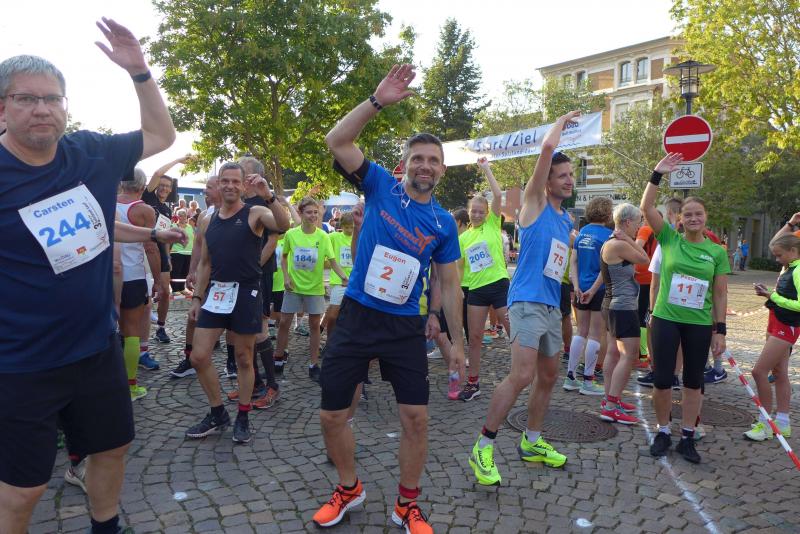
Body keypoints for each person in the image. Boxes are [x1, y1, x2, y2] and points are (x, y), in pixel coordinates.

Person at [0, 18, 176, 533]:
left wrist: (139, 71)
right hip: (20, 363)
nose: (41, 109)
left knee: (112, 447)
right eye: (26, 98)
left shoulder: (90, 153)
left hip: (96, 348)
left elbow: (161, 135)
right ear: (2, 108)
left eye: (52, 99)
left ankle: (106, 526)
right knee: (24, 488)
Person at [315, 64, 465, 533]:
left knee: (416, 418)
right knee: (332, 415)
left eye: (433, 160)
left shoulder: (443, 223)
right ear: (405, 164)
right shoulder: (380, 184)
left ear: (442, 170)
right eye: (417, 158)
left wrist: (456, 344)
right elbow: (337, 140)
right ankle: (348, 488)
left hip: (404, 326)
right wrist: (377, 101)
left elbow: (450, 284)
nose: (425, 166)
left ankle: (407, 505)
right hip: (357, 316)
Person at [468, 112, 580, 487]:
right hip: (526, 302)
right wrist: (560, 122)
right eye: (562, 175)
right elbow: (547, 149)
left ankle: (532, 442)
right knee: (521, 375)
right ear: (546, 181)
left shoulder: (566, 220)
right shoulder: (534, 203)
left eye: (571, 174)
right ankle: (483, 445)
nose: (569, 179)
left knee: (548, 376)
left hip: (551, 304)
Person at [185, 163, 286, 444]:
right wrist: (197, 298)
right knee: (198, 356)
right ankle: (218, 413)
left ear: (243, 186)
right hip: (216, 293)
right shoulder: (208, 220)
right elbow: (205, 263)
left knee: (243, 357)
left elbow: (283, 225)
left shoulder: (255, 213)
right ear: (218, 184)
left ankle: (243, 415)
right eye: (225, 181)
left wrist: (269, 195)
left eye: (235, 181)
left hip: (246, 292)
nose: (229, 185)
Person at [641, 153, 729, 464]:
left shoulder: (717, 252)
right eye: (688, 214)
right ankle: (663, 431)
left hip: (699, 324)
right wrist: (657, 174)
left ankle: (688, 436)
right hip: (666, 319)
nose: (693, 218)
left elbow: (720, 293)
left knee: (694, 381)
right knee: (663, 379)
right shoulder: (669, 239)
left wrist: (720, 330)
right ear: (679, 219)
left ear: (706, 217)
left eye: (698, 214)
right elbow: (646, 208)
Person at [275, 197, 348, 383]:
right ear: (300, 213)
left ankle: (313, 365)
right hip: (294, 287)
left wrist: (344, 277)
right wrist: (286, 277)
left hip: (315, 288)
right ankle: (278, 359)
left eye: (316, 212)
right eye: (309, 212)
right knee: (284, 322)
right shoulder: (291, 234)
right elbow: (284, 257)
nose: (313, 216)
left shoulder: (323, 236)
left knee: (315, 326)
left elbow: (333, 262)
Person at [456, 157, 510, 401]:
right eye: (474, 211)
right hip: (476, 290)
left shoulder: (492, 224)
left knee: (514, 332)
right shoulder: (463, 238)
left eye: (481, 211)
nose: (477, 214)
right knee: (475, 337)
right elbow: (459, 268)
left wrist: (486, 168)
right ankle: (473, 382)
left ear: (487, 213)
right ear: (469, 213)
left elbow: (497, 195)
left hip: (499, 285)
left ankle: (526, 373)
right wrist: (458, 290)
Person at [744, 228, 800, 441]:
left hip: (787, 325)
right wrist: (769, 295)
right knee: (780, 373)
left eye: (779, 255)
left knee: (759, 372)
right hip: (777, 321)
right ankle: (782, 423)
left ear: (793, 251)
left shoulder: (798, 270)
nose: (777, 259)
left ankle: (766, 423)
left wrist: (772, 296)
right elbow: (777, 241)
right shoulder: (789, 267)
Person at [598, 203, 649, 424]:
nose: (639, 227)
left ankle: (610, 400)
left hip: (612, 304)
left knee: (613, 353)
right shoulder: (619, 244)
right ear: (627, 222)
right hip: (622, 306)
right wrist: (629, 239)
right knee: (629, 355)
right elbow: (645, 260)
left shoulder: (611, 242)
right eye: (638, 222)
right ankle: (611, 405)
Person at [116, 168, 164, 387]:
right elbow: (151, 248)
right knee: (131, 330)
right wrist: (159, 281)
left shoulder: (106, 202)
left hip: (106, 275)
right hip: (133, 275)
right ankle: (131, 384)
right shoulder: (144, 210)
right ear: (143, 187)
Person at [170, 176, 222, 379]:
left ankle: (233, 362)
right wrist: (192, 271)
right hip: (207, 274)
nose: (205, 192)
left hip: (230, 277)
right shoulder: (204, 216)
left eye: (209, 187)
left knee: (233, 322)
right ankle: (189, 358)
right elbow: (198, 246)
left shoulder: (240, 212)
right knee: (194, 314)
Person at [565, 196, 613, 395]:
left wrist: (576, 286)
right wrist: (593, 290)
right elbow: (605, 268)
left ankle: (570, 377)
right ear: (608, 213)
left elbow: (573, 262)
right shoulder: (609, 237)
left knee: (581, 332)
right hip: (598, 290)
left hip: (580, 288)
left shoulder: (582, 233)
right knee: (595, 334)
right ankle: (588, 381)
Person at [143, 155, 190, 343]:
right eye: (161, 185)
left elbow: (166, 236)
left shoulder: (168, 210)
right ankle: (134, 331)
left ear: (171, 190)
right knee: (144, 293)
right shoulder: (148, 198)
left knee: (165, 292)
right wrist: (177, 160)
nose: (164, 188)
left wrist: (168, 257)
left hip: (161, 252)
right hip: (144, 250)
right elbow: (157, 173)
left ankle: (161, 328)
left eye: (167, 186)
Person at [323, 212, 356, 338]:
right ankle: (329, 341)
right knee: (333, 316)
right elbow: (321, 239)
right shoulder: (334, 237)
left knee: (351, 316)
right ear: (341, 226)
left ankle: (345, 341)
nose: (349, 230)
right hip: (339, 281)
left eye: (352, 227)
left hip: (354, 282)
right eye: (347, 227)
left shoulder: (358, 238)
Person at [170, 208, 194, 293]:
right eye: (180, 215)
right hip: (177, 252)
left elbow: (192, 239)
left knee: (185, 271)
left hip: (189, 252)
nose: (183, 217)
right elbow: (170, 239)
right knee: (176, 271)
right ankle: (175, 289)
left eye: (184, 215)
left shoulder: (190, 227)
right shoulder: (173, 226)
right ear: (177, 217)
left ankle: (182, 288)